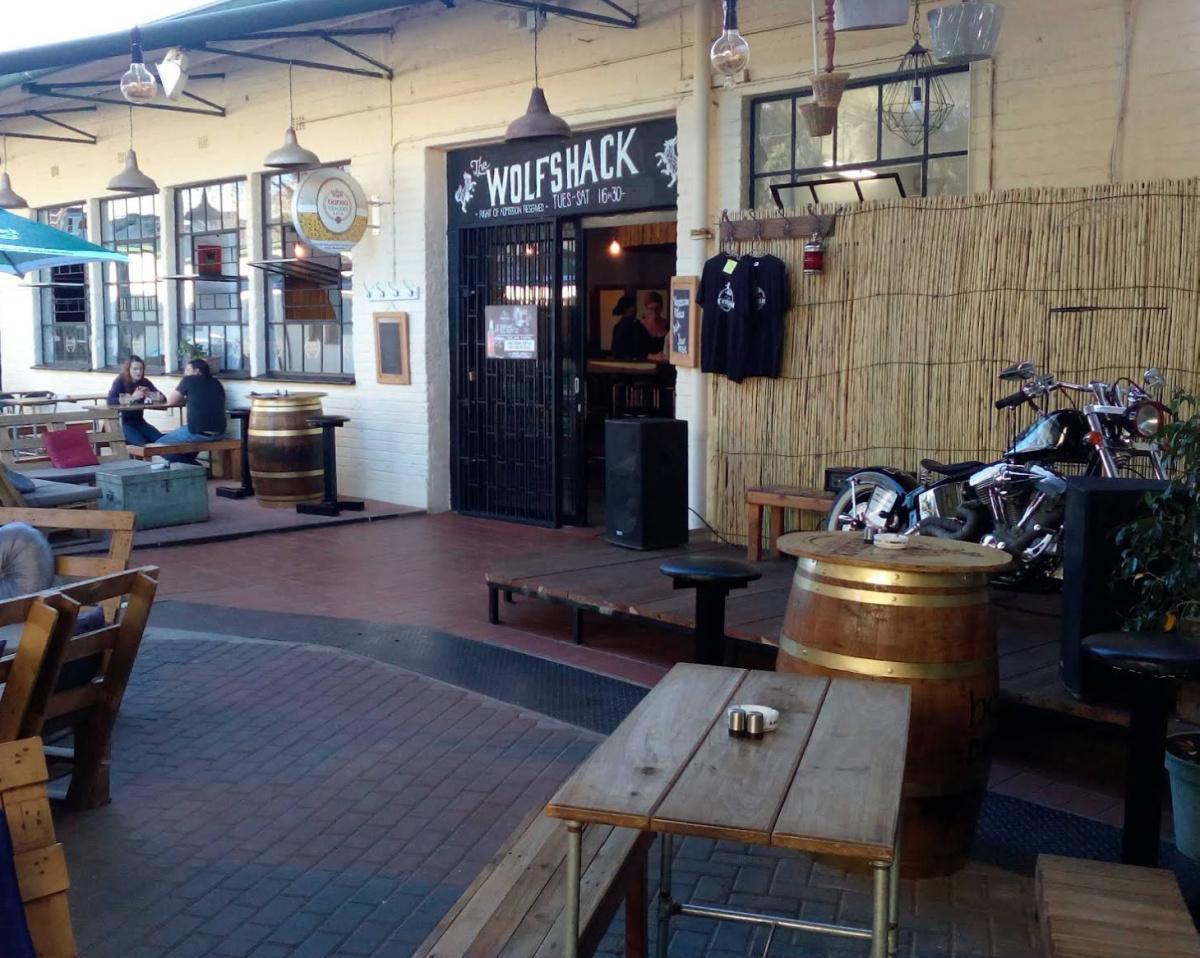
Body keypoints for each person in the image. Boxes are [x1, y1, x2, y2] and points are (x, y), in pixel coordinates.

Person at [157, 359, 227, 464]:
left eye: (188, 370)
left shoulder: (189, 380)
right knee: (187, 445)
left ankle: (196, 467)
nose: (185, 373)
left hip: (199, 432)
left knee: (159, 445)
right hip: (220, 433)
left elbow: (171, 401)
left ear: (197, 371)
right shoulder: (217, 383)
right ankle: (192, 467)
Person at [106, 354, 164, 446]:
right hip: (123, 422)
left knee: (161, 440)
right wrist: (132, 397)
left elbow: (163, 398)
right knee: (141, 443)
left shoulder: (145, 382)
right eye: (135, 369)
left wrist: (150, 394)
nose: (138, 372)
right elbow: (110, 401)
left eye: (141, 369)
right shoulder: (120, 381)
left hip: (139, 421)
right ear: (128, 369)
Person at [611, 294, 656, 361]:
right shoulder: (636, 326)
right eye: (634, 306)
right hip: (637, 362)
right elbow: (646, 345)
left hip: (621, 363)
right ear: (630, 308)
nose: (635, 309)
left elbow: (615, 350)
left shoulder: (617, 327)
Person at [639, 291, 669, 360]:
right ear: (646, 308)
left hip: (665, 363)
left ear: (661, 308)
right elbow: (637, 352)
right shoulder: (639, 327)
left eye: (657, 308)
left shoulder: (667, 325)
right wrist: (653, 356)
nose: (654, 311)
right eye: (651, 308)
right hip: (645, 364)